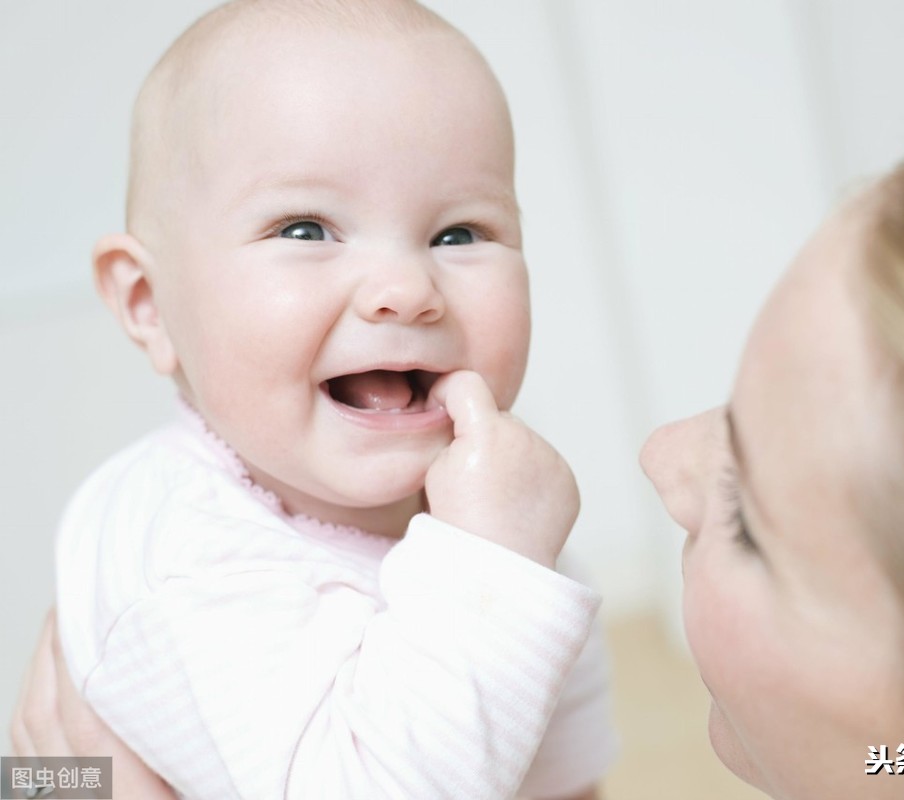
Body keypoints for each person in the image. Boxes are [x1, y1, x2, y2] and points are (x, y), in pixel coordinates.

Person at [12, 91, 904, 798]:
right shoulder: (174, 543)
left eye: (747, 514)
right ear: (146, 302)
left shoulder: (481, 556)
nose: (658, 458)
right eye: (305, 227)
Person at [21, 0, 616, 798]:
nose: (407, 291)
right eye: (304, 230)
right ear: (148, 303)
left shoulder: (483, 511)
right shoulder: (187, 555)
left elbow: (555, 772)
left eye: (459, 233)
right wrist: (499, 570)